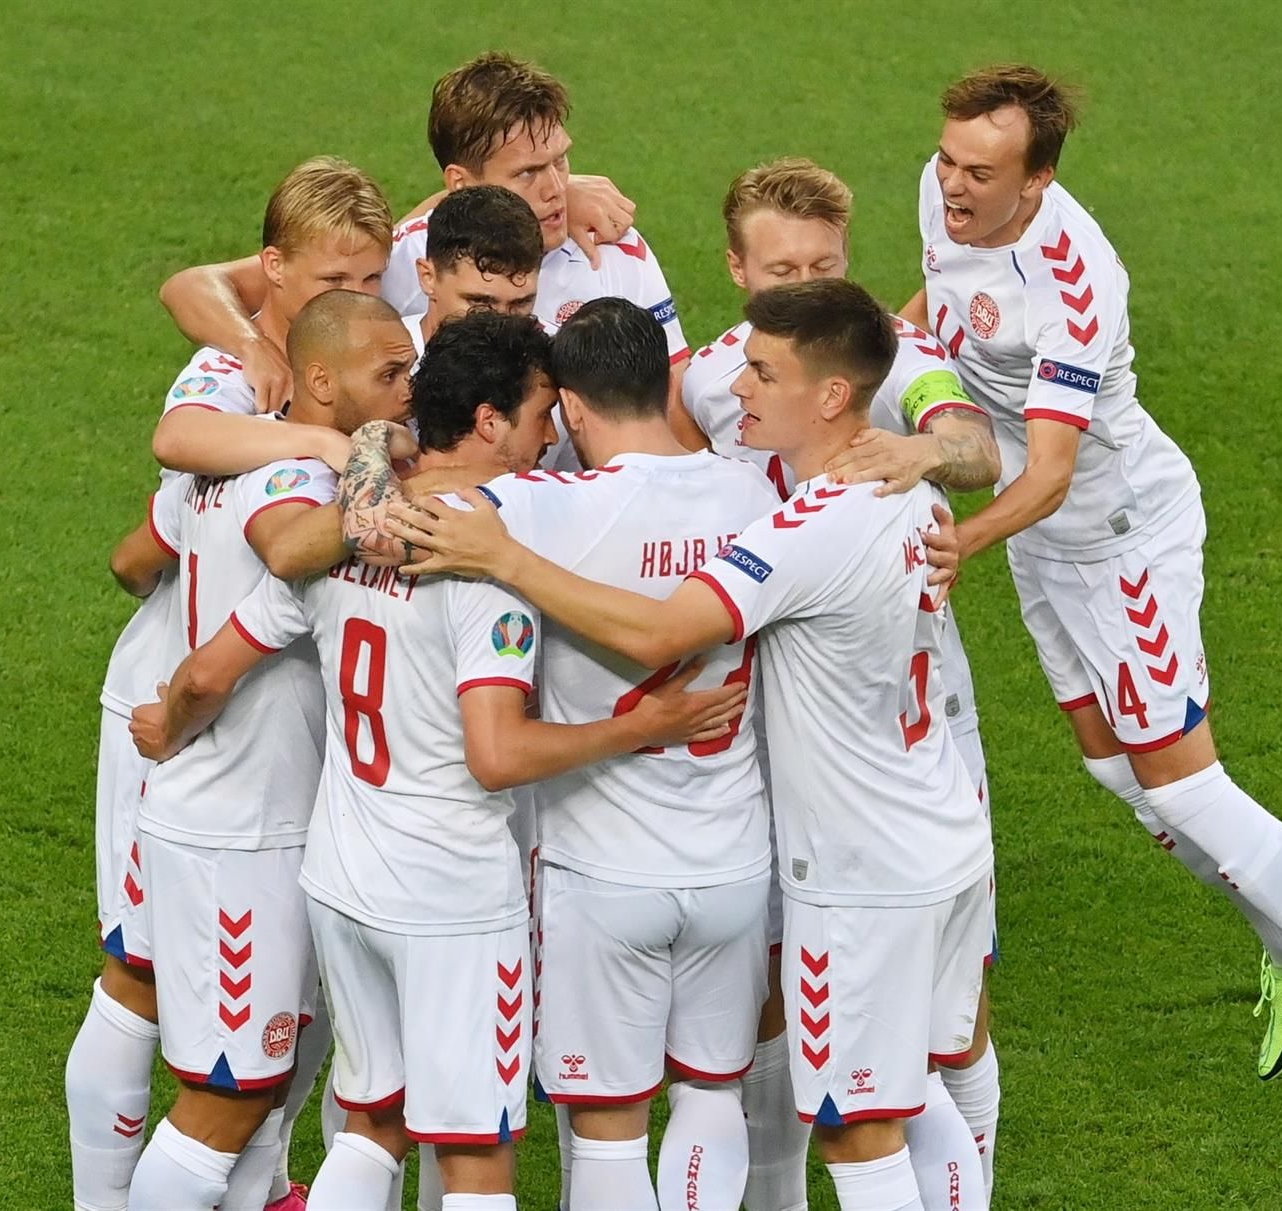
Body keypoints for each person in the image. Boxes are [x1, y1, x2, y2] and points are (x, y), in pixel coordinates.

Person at [377, 280, 990, 1211]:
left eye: (762, 371)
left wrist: (372, 451)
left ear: (571, 406)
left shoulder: (543, 508)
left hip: (676, 866)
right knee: (850, 1091)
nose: (738, 387)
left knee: (696, 1126)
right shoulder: (817, 490)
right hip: (804, 850)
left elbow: (654, 627)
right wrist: (932, 446)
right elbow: (972, 458)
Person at [902, 63, 1282, 1135]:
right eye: (949, 159)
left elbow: (1052, 471)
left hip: (1120, 540)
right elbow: (936, 301)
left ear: (1037, 181)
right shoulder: (942, 190)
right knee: (1113, 770)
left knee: (1183, 784)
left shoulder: (1076, 279)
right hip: (1044, 540)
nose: (953, 184)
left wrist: (961, 543)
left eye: (981, 173)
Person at [136, 309, 746, 1211]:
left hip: (343, 880)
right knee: (474, 1159)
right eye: (539, 414)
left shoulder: (348, 531)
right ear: (491, 421)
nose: (551, 436)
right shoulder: (483, 560)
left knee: (372, 1123)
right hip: (452, 895)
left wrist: (167, 729)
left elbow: (207, 670)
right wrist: (637, 726)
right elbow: (495, 753)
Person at [66, 157, 399, 1211]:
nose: (359, 296)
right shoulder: (241, 383)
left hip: (236, 746)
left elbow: (137, 552)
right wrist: (331, 449)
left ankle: (257, 1193)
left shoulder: (325, 367)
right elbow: (194, 455)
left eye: (372, 278)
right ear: (275, 271)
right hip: (192, 739)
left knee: (270, 1035)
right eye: (335, 280)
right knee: (167, 1003)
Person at [678, 156, 1006, 1204]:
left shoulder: (890, 354)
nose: (806, 285)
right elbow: (674, 487)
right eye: (783, 269)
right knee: (785, 992)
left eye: (824, 265)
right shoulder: (715, 378)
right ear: (737, 268)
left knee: (945, 1026)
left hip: (910, 700)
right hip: (780, 713)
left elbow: (974, 445)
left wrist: (924, 457)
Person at [158, 52, 671, 415]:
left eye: (560, 162)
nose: (554, 188)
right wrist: (252, 346)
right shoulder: (394, 262)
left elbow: (668, 393)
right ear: (460, 185)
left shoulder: (616, 245)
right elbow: (194, 286)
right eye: (527, 173)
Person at [403, 183, 543, 363]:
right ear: (428, 277)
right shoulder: (381, 358)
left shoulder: (555, 363)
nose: (501, 327)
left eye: (520, 304)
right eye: (480, 303)